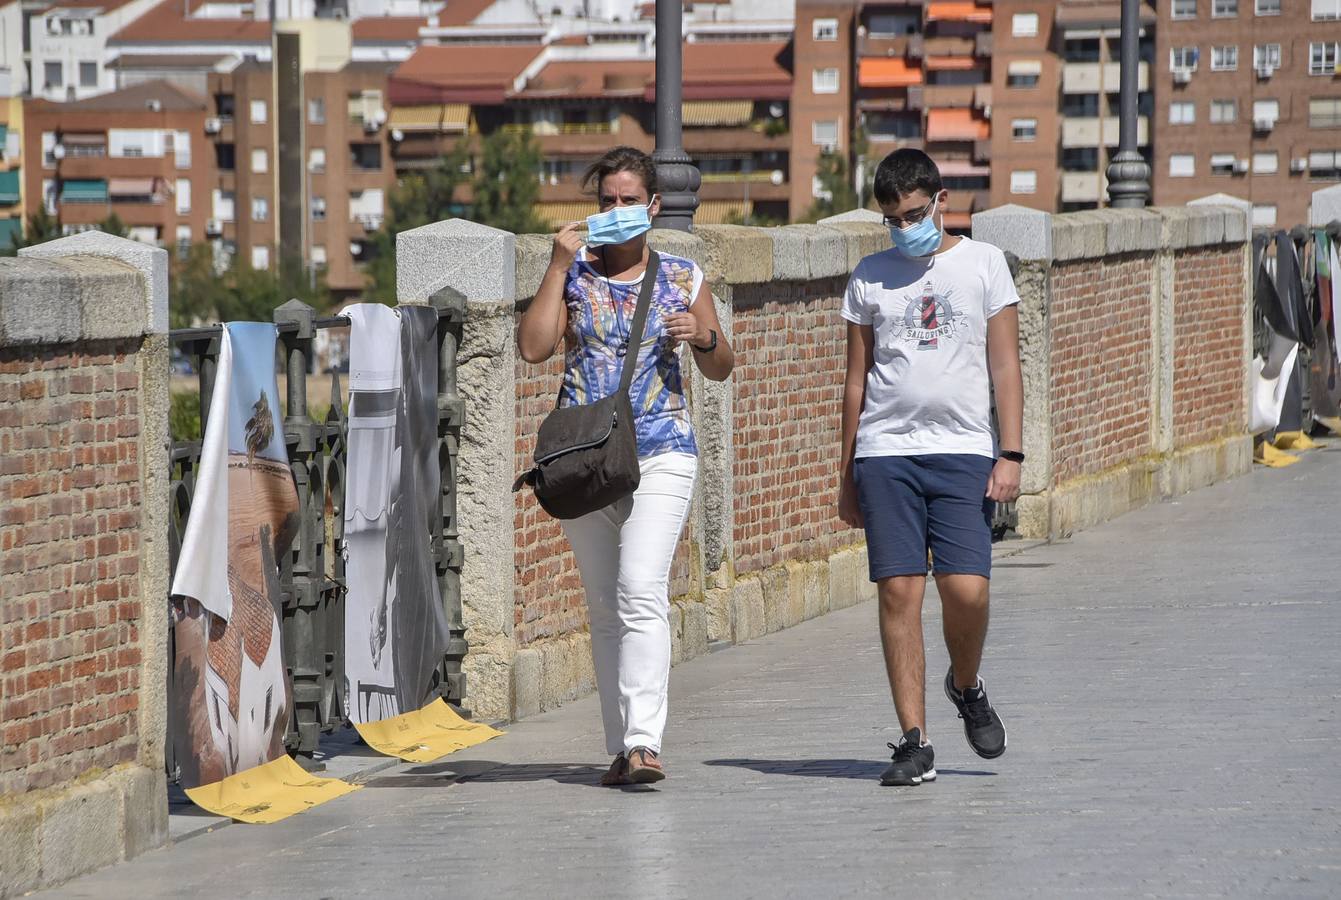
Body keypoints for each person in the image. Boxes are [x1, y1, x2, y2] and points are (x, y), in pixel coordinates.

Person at [518, 146, 735, 786]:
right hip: (585, 458)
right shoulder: (575, 272)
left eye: (628, 200)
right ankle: (620, 748)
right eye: (606, 200)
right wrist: (558, 265)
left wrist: (703, 336)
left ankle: (644, 742)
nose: (616, 210)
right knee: (605, 604)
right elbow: (533, 348)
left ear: (653, 206)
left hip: (662, 447)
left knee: (640, 588)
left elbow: (722, 366)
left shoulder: (683, 278)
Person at [836, 149, 1024, 787]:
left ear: (941, 200)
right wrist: (846, 473)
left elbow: (1005, 365)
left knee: (967, 589)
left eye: (915, 213)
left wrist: (1013, 453)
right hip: (885, 453)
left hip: (964, 449)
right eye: (893, 218)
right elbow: (855, 381)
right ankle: (914, 741)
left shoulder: (985, 265)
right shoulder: (870, 275)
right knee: (899, 592)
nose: (905, 226)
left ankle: (965, 684)